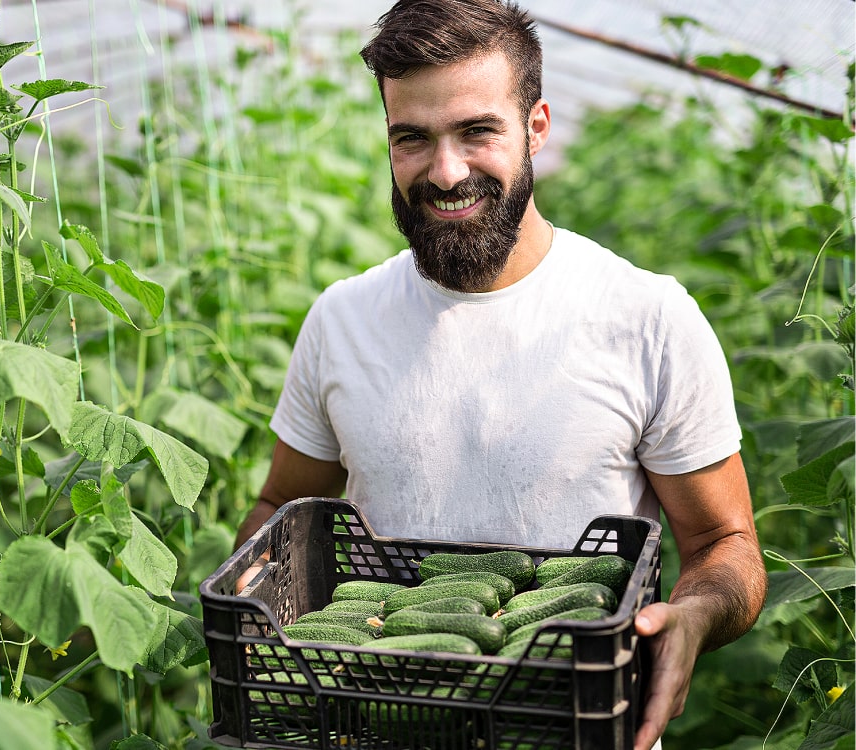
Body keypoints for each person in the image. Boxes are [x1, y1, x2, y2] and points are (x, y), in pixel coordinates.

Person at [233, 1, 768, 748]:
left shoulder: (646, 317)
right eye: (411, 139)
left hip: (570, 724)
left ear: (535, 128)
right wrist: (249, 608)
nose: (445, 172)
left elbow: (723, 542)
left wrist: (695, 615)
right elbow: (281, 506)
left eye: (476, 131)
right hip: (367, 721)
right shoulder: (341, 319)